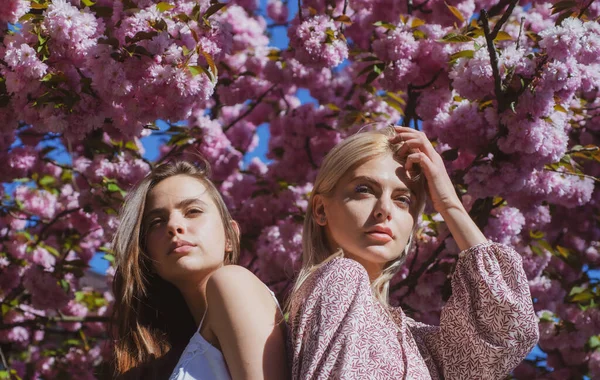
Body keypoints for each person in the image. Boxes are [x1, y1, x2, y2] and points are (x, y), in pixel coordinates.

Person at [288, 126, 539, 379]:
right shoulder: (342, 277)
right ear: (321, 210)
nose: (384, 209)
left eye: (402, 199)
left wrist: (449, 203)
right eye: (363, 189)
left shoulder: (420, 344)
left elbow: (510, 333)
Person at [111, 160, 289, 380]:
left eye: (193, 211)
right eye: (156, 221)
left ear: (229, 236)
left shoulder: (234, 282)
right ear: (148, 255)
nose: (173, 226)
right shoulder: (163, 360)